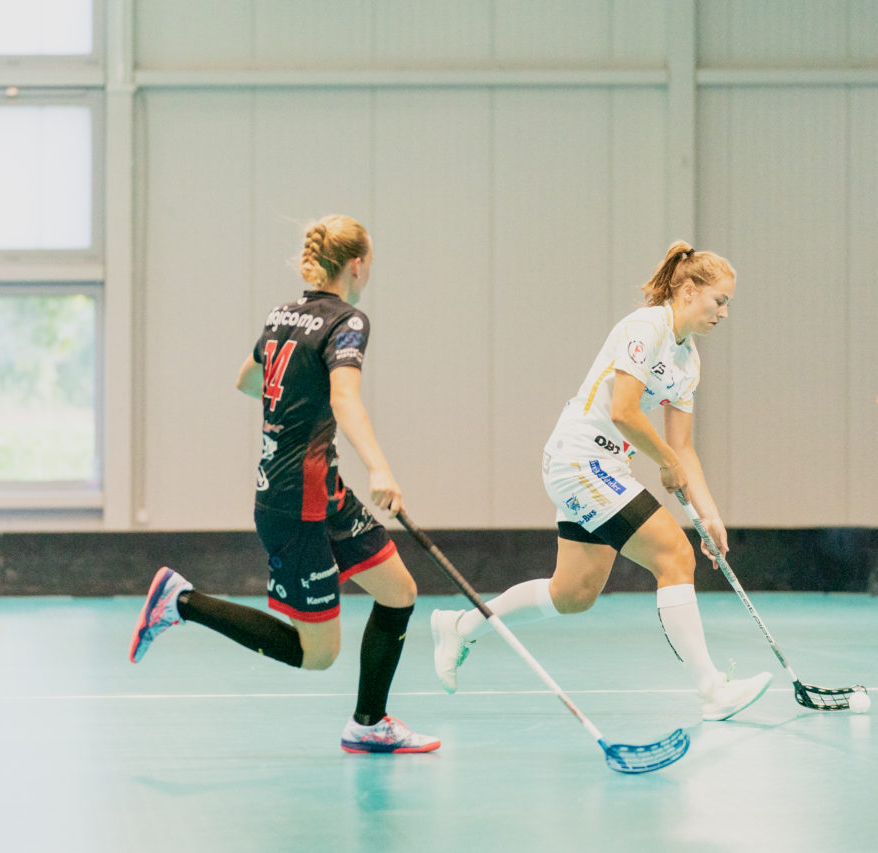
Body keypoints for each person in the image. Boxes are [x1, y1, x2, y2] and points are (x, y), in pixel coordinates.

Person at [129, 215, 439, 754]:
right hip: (296, 503)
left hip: (323, 488)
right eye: (370, 262)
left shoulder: (281, 316)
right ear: (357, 265)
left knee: (399, 592)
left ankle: (369, 724)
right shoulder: (348, 321)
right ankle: (182, 601)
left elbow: (247, 380)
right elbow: (344, 397)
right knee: (316, 654)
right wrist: (380, 468)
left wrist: (297, 410)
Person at [430, 242, 772, 722]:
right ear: (689, 291)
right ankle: (711, 689)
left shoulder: (688, 361)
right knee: (675, 555)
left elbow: (683, 448)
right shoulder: (645, 328)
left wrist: (709, 513)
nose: (725, 312)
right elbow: (624, 412)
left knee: (573, 593)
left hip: (605, 467)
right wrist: (665, 461)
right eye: (720, 300)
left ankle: (461, 627)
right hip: (579, 460)